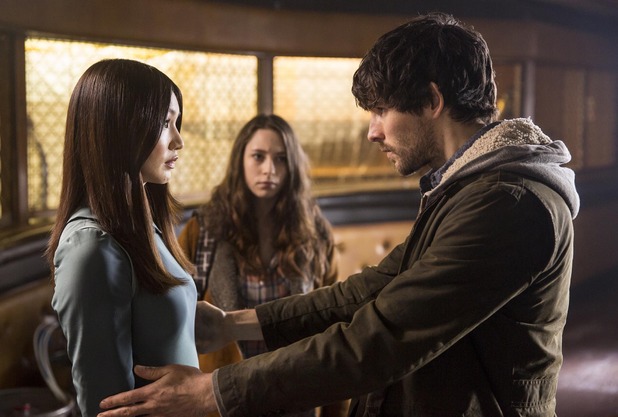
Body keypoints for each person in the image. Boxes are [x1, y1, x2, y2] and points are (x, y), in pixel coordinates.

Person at [97, 12, 580, 417]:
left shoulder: (507, 202)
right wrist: (233, 324)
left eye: (381, 111)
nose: (372, 132)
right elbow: (372, 289)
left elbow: (381, 338)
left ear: (433, 101)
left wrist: (212, 392)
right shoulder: (468, 187)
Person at [46, 59, 198, 417]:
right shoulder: (91, 247)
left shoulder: (141, 227)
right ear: (120, 129)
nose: (178, 140)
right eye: (165, 123)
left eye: (176, 123)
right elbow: (107, 405)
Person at [176, 113, 348, 417]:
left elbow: (333, 324)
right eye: (258, 156)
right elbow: (177, 320)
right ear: (240, 160)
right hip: (221, 399)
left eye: (281, 159)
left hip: (294, 396)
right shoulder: (204, 231)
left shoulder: (314, 232)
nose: (269, 169)